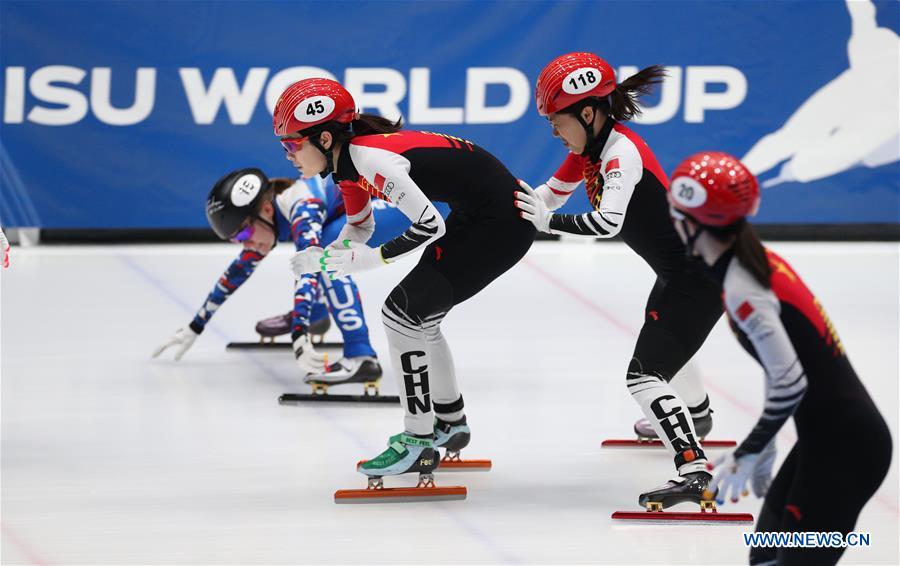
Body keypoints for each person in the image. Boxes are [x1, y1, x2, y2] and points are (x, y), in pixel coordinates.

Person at [275, 77, 535, 479]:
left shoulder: (368, 159)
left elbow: (429, 224)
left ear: (324, 139)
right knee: (420, 320)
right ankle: (450, 423)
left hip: (503, 223)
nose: (288, 154)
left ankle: (418, 441)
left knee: (401, 315)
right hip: (481, 215)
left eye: (292, 143)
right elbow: (358, 227)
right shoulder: (348, 164)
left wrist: (370, 261)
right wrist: (326, 259)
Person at [515, 52, 724, 508]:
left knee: (643, 378)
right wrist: (496, 208)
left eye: (557, 120)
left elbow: (607, 222)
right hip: (682, 273)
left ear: (588, 113)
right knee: (665, 340)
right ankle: (698, 416)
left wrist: (548, 223)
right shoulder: (588, 147)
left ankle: (695, 472)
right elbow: (547, 195)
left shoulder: (620, 153)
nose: (553, 131)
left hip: (698, 279)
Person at [668, 151, 892, 565]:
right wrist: (769, 446)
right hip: (826, 438)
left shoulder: (744, 287)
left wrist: (747, 451)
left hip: (848, 448)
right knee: (765, 558)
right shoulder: (750, 263)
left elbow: (792, 383)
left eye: (676, 214)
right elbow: (786, 368)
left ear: (696, 223)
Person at [152, 168, 408, 389]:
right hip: (390, 201)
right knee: (319, 248)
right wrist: (196, 325)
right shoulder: (273, 214)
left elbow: (309, 267)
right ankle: (316, 316)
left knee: (327, 251)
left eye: (243, 236)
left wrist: (298, 332)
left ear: (265, 210)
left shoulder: (303, 206)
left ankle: (360, 356)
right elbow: (239, 270)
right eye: (236, 241)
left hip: (409, 204)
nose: (245, 244)